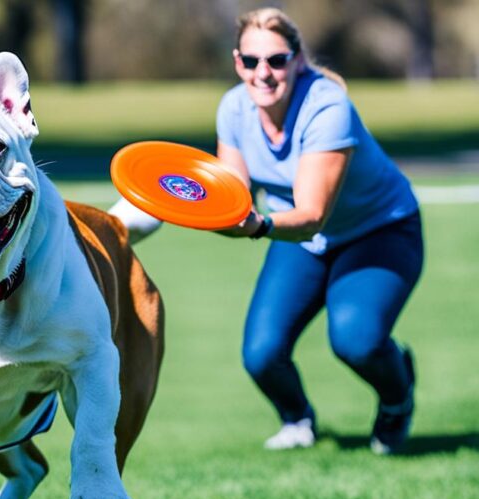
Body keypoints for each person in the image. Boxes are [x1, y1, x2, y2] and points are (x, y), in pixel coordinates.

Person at [113, 7, 423, 454]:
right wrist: (178, 203)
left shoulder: (327, 107)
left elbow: (312, 214)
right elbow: (231, 197)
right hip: (298, 239)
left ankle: (397, 399)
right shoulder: (234, 109)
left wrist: (257, 226)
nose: (264, 72)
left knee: (356, 339)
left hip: (378, 232)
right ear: (238, 62)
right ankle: (298, 419)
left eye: (277, 60)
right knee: (261, 354)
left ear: (297, 60)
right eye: (251, 61)